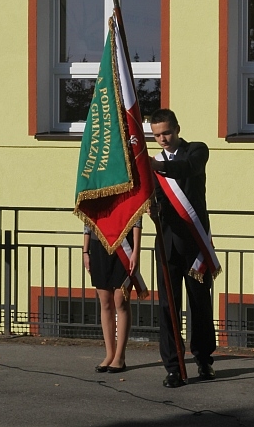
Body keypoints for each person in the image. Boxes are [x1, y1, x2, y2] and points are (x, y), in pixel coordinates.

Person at [149, 108, 218, 388]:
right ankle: (173, 367)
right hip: (166, 243)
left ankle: (204, 359)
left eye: (166, 132)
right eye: (156, 135)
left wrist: (155, 167)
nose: (162, 139)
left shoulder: (196, 151)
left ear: (177, 128)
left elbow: (187, 169)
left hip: (194, 242)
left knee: (200, 304)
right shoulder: (152, 162)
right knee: (169, 307)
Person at [83, 221, 141, 374]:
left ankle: (120, 356)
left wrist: (136, 251)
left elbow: (137, 219)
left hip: (123, 246)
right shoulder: (94, 195)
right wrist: (85, 251)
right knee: (106, 302)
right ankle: (110, 354)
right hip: (98, 246)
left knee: (121, 301)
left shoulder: (128, 194)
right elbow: (88, 219)